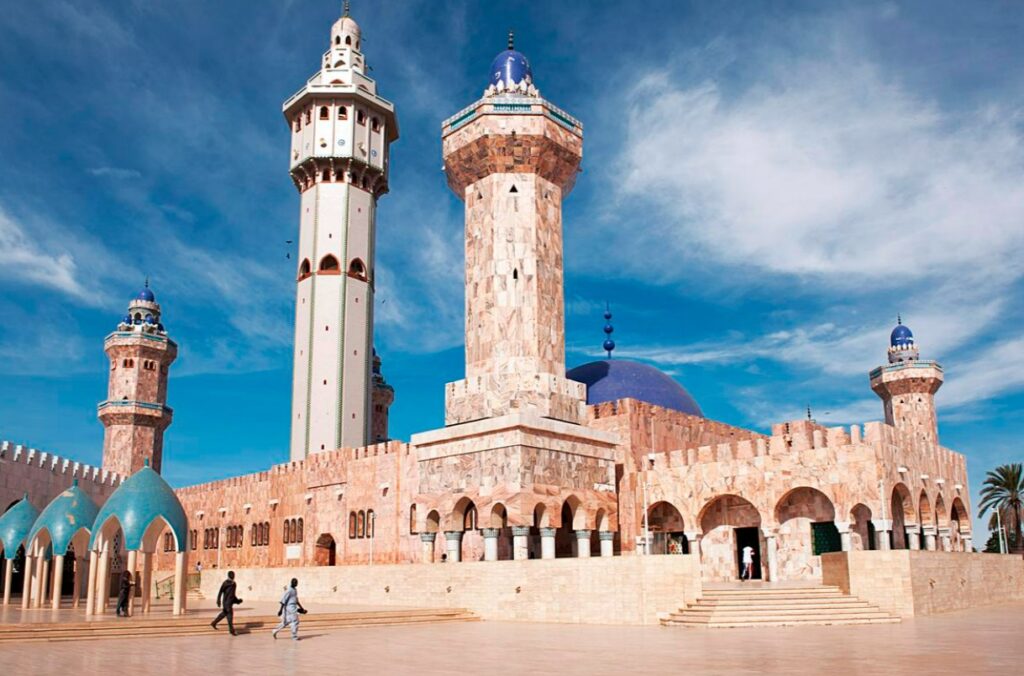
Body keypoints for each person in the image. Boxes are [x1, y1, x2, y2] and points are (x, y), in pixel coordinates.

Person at [211, 570, 242, 635]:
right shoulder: (225, 583)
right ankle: (232, 630)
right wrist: (218, 601)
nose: (233, 576)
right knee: (230, 616)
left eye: (233, 575)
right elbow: (220, 592)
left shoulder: (234, 584)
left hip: (230, 602)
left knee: (224, 614)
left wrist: (237, 601)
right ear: (229, 576)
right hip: (226, 603)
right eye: (232, 575)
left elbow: (233, 594)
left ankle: (214, 623)